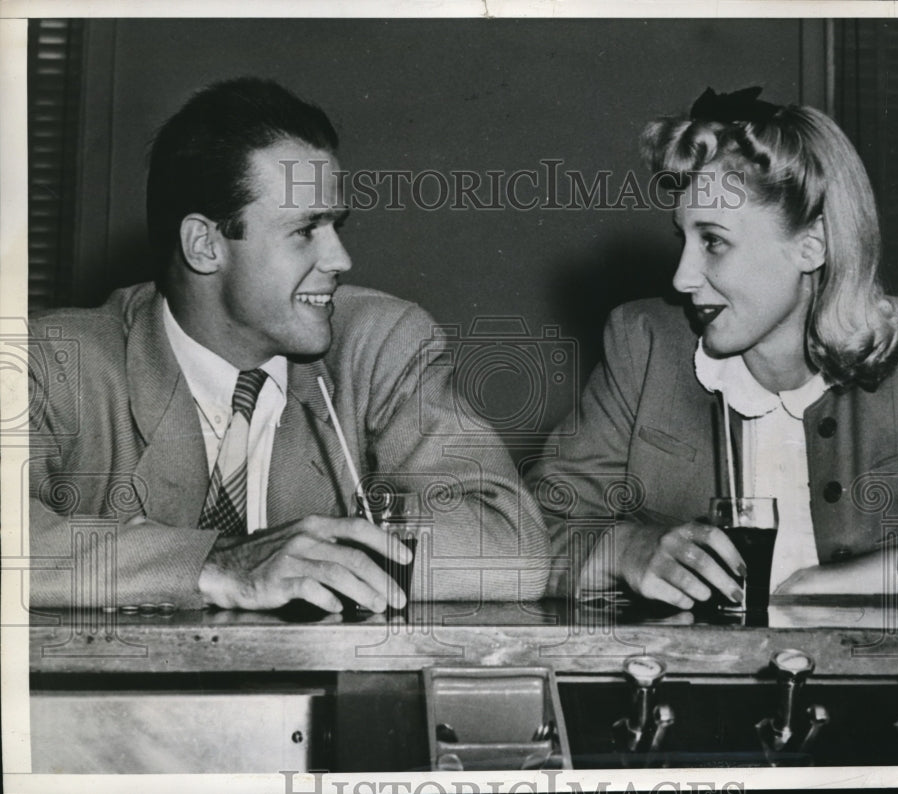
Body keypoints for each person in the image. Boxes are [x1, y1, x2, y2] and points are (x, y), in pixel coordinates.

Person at [29, 77, 550, 613]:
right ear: (205, 245)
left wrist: (306, 558)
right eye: (306, 230)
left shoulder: (379, 344)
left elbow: (514, 544)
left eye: (336, 225)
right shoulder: (57, 362)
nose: (340, 259)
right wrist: (217, 563)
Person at [527, 87, 898, 608]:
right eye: (684, 240)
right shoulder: (642, 343)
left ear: (813, 245)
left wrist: (845, 581)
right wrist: (623, 549)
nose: (681, 277)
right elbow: (527, 534)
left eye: (714, 241)